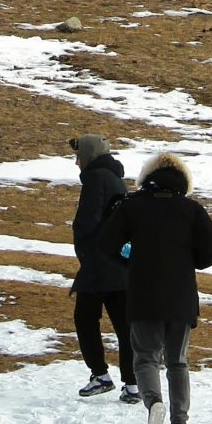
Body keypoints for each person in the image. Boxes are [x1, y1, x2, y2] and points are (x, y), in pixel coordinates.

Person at [98, 153, 212, 424]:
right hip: (181, 295)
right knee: (178, 362)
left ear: (146, 178)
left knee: (145, 358)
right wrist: (188, 261)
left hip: (143, 294)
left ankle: (154, 402)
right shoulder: (191, 210)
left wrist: (129, 262)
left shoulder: (132, 208)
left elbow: (105, 244)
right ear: (183, 180)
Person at [68, 134, 138, 401]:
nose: (76, 163)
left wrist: (85, 253)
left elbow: (88, 221)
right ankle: (132, 385)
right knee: (124, 325)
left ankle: (100, 375)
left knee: (85, 318)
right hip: (120, 265)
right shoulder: (114, 177)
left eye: (78, 156)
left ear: (89, 156)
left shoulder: (96, 177)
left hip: (99, 265)